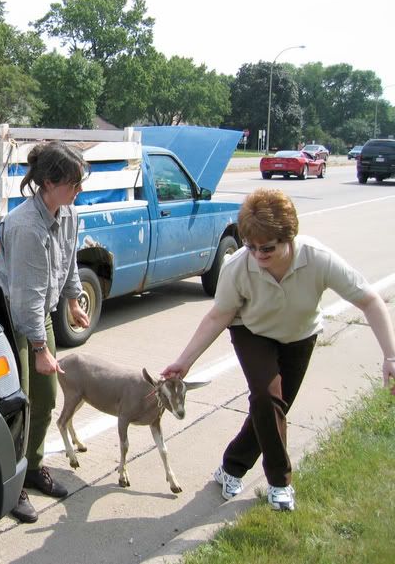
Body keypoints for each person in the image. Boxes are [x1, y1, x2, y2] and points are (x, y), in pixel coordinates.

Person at [161, 188, 395, 512]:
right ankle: (280, 484)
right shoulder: (237, 267)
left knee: (273, 410)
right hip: (251, 330)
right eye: (251, 246)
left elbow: (369, 300)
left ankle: (230, 467)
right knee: (265, 398)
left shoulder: (318, 259)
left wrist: (390, 356)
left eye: (267, 248)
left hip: (300, 335)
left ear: (289, 237)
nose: (258, 255)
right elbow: (219, 315)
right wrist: (184, 362)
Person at [0, 141, 91, 523]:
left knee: (47, 399)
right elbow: (26, 297)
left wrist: (72, 301)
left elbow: (68, 262)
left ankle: (33, 468)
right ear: (48, 182)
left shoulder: (67, 213)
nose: (79, 190)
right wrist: (39, 347)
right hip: (14, 322)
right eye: (73, 183)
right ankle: (11, 486)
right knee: (19, 406)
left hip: (39, 318)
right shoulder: (25, 227)